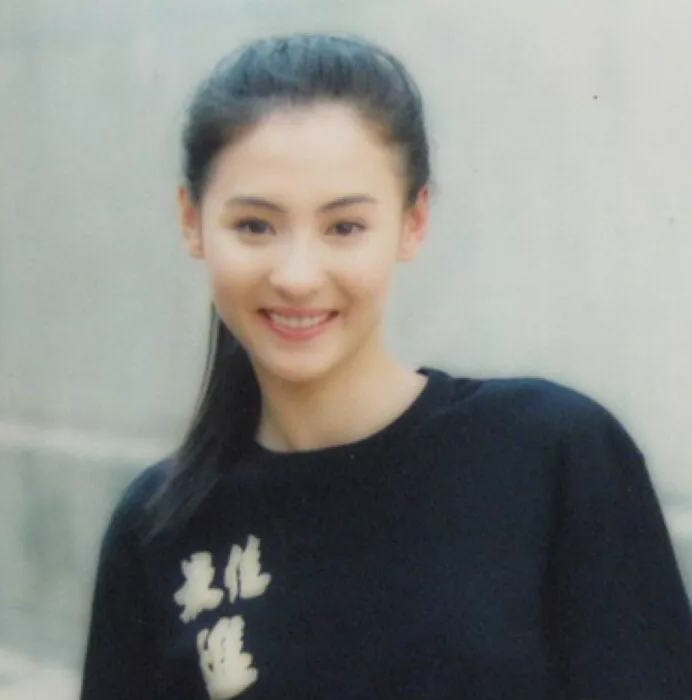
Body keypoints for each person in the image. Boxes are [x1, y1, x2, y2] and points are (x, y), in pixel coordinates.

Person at [80, 34, 692, 700]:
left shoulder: (550, 453)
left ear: (413, 221)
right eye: (255, 225)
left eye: (344, 227)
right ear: (191, 221)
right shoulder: (160, 526)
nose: (297, 276)